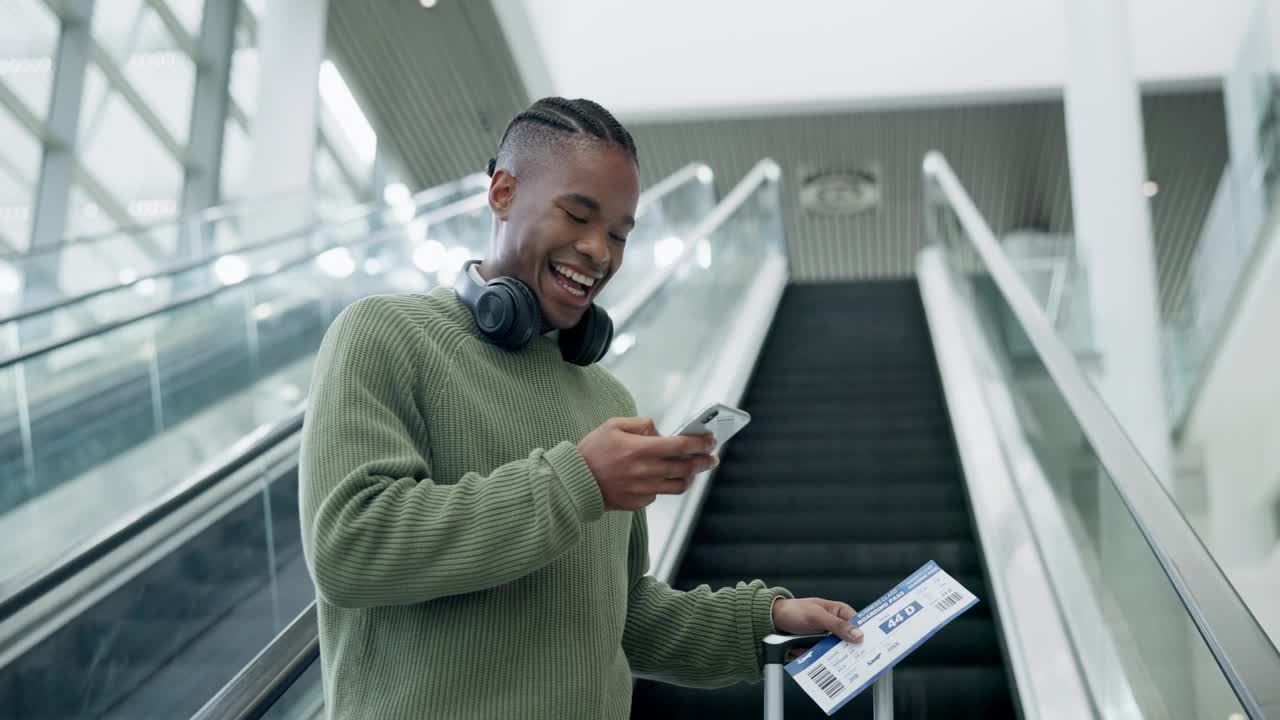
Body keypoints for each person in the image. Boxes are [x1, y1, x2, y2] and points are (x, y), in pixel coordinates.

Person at [299, 97, 863, 720]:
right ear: (504, 193)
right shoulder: (384, 334)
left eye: (620, 233)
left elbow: (621, 617)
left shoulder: (603, 397)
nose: (600, 252)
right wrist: (579, 481)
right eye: (578, 216)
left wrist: (766, 621)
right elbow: (349, 546)